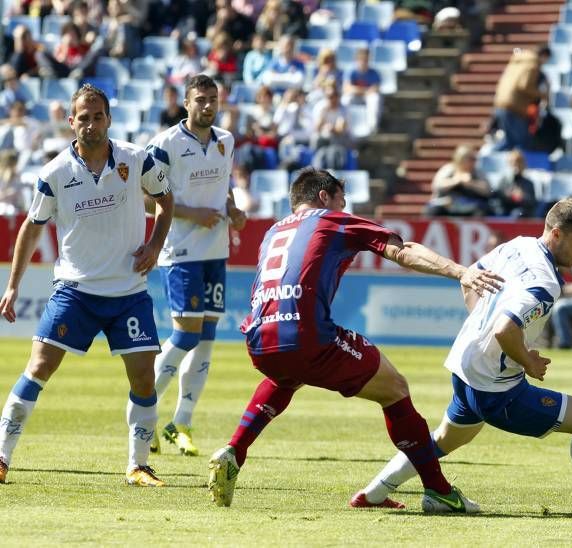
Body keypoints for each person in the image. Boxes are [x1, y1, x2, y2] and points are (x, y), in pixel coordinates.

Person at [206, 168, 505, 510]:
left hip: (259, 338)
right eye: (341, 201)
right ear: (324, 198)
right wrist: (462, 271)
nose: (344, 209)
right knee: (394, 388)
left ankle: (234, 449)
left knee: (287, 376)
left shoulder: (274, 230)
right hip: (305, 335)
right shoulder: (333, 220)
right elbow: (403, 249)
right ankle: (438, 491)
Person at [351, 198, 572, 513]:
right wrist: (528, 360)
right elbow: (504, 330)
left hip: (466, 366)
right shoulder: (545, 283)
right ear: (557, 234)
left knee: (445, 440)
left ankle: (374, 493)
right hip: (496, 388)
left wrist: (483, 327)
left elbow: (471, 281)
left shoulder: (517, 246)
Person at [0, 84, 174, 486]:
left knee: (144, 377)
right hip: (75, 291)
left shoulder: (136, 158)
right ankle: (3, 456)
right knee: (38, 368)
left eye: (98, 116)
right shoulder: (55, 173)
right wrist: (13, 286)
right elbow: (31, 227)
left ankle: (138, 465)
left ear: (108, 119)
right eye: (84, 117)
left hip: (128, 292)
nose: (91, 124)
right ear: (71, 121)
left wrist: (155, 244)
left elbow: (166, 198)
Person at [146, 74, 246, 457]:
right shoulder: (166, 144)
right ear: (186, 103)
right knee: (185, 334)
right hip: (180, 251)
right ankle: (145, 410)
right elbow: (142, 197)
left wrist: (233, 210)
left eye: (213, 98)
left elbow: (225, 184)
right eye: (200, 99)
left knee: (206, 338)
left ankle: (181, 422)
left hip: (215, 252)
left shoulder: (226, 141)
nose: (208, 104)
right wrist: (190, 213)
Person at [427, 145, 492, 217]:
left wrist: (470, 183)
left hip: (470, 205)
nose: (473, 162)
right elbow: (436, 185)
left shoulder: (477, 172)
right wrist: (456, 181)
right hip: (449, 204)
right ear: (460, 159)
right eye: (470, 159)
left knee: (482, 211)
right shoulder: (449, 169)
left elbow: (487, 190)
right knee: (433, 210)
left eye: (474, 159)